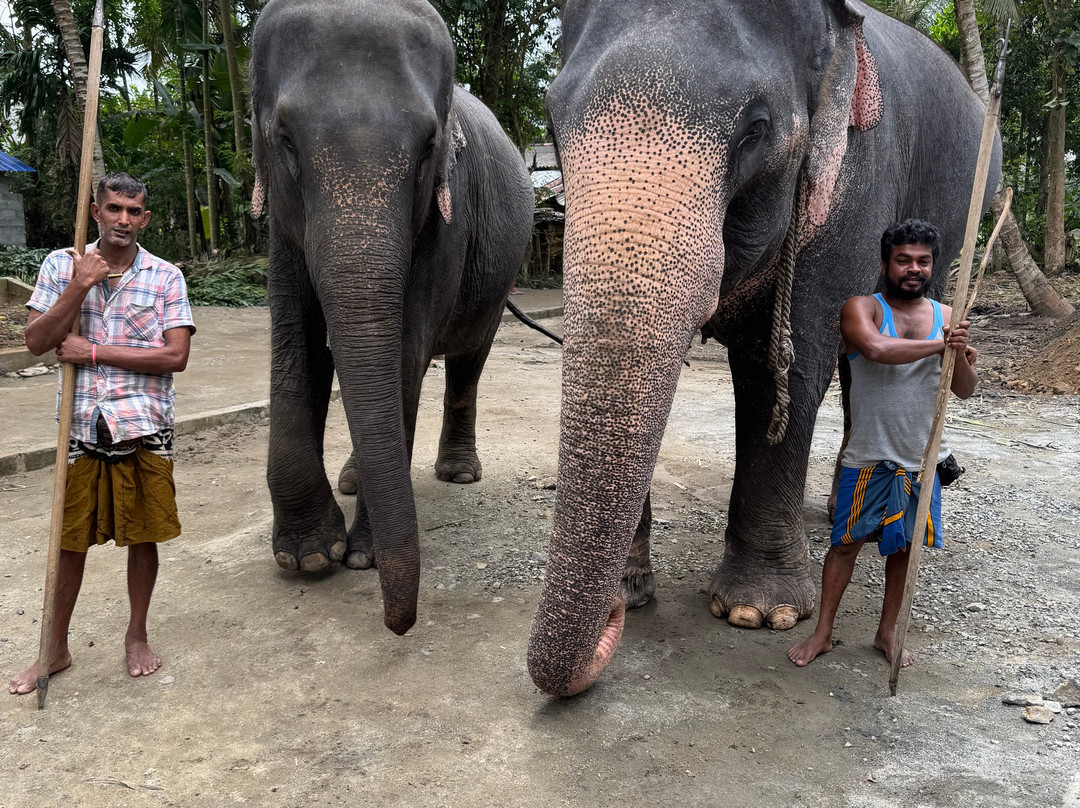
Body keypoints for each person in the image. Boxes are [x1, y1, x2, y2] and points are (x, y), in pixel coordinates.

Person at [9, 172, 195, 695]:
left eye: (134, 212)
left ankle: (137, 634)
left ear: (146, 218)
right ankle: (55, 647)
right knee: (69, 542)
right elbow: (39, 340)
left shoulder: (165, 277)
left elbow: (174, 357)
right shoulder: (61, 265)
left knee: (144, 533)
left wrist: (93, 351)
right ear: (96, 212)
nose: (124, 221)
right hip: (81, 424)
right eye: (114, 209)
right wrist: (79, 285)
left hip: (143, 426)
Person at [788, 219, 977, 669]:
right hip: (869, 455)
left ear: (933, 266)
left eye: (923, 261)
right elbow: (874, 349)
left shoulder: (947, 318)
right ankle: (824, 632)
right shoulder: (863, 308)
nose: (914, 268)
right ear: (885, 263)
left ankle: (887, 632)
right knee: (845, 544)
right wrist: (938, 348)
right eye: (904, 260)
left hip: (922, 456)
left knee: (905, 548)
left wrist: (961, 352)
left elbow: (965, 389)